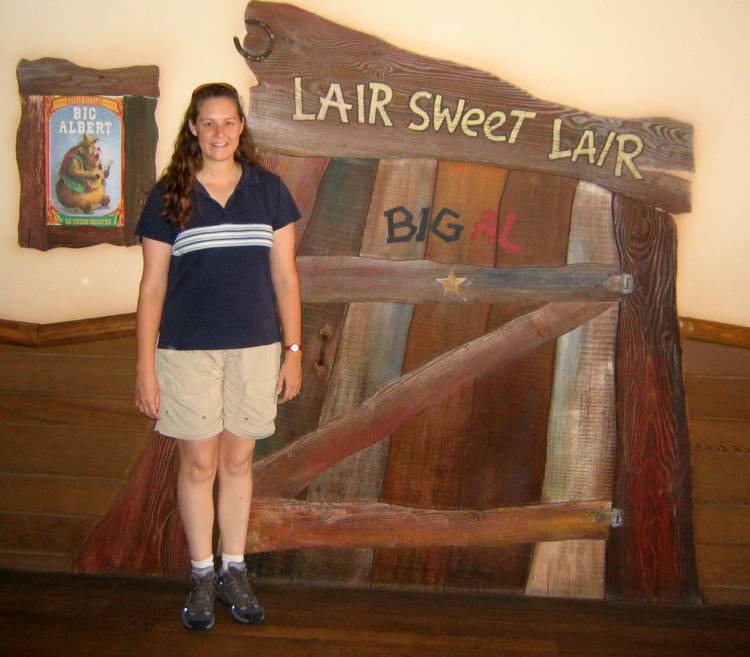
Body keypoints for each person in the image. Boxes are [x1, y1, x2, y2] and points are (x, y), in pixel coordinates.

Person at [134, 82, 302, 631]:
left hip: (256, 351)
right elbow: (152, 288)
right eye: (209, 123)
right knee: (199, 464)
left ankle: (235, 569)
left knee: (236, 463)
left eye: (229, 122)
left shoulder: (270, 192)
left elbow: (285, 277)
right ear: (193, 129)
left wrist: (294, 352)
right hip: (187, 356)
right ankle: (202, 574)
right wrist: (144, 366)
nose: (219, 133)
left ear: (241, 129)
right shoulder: (167, 198)